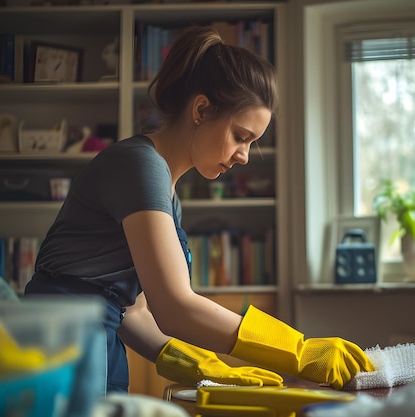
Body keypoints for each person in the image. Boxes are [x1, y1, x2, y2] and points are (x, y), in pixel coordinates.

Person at [25, 25, 375, 395]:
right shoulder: (140, 167)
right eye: (241, 136)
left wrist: (199, 364)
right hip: (62, 343)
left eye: (252, 143)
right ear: (202, 109)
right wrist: (299, 351)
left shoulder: (165, 191)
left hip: (95, 340)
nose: (243, 156)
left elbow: (135, 311)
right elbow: (174, 306)